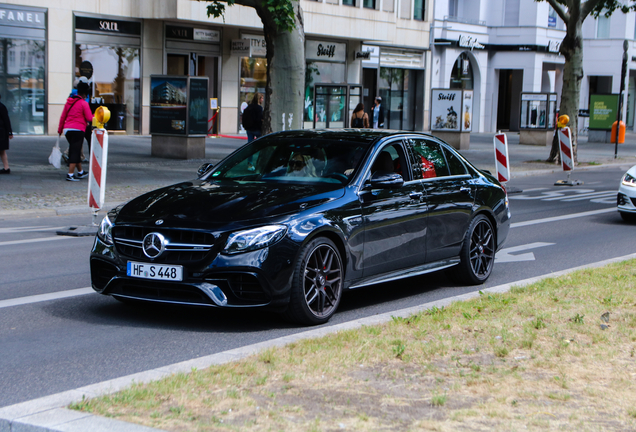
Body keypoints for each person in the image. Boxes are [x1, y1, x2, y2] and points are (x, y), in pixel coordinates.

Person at [58, 81, 93, 181]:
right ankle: (70, 174)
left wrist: (60, 130)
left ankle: (81, 172)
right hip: (78, 130)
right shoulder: (83, 103)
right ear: (85, 93)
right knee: (74, 152)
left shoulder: (69, 102)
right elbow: (89, 118)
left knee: (76, 150)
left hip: (67, 130)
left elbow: (63, 117)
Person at [0, 94, 13, 174]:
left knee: (2, 151)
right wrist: (9, 132)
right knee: (2, 151)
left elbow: (6, 120)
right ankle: (6, 167)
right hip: (2, 131)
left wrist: (9, 132)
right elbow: (6, 120)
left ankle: (6, 167)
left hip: (1, 132)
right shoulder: (2, 107)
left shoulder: (1, 107)